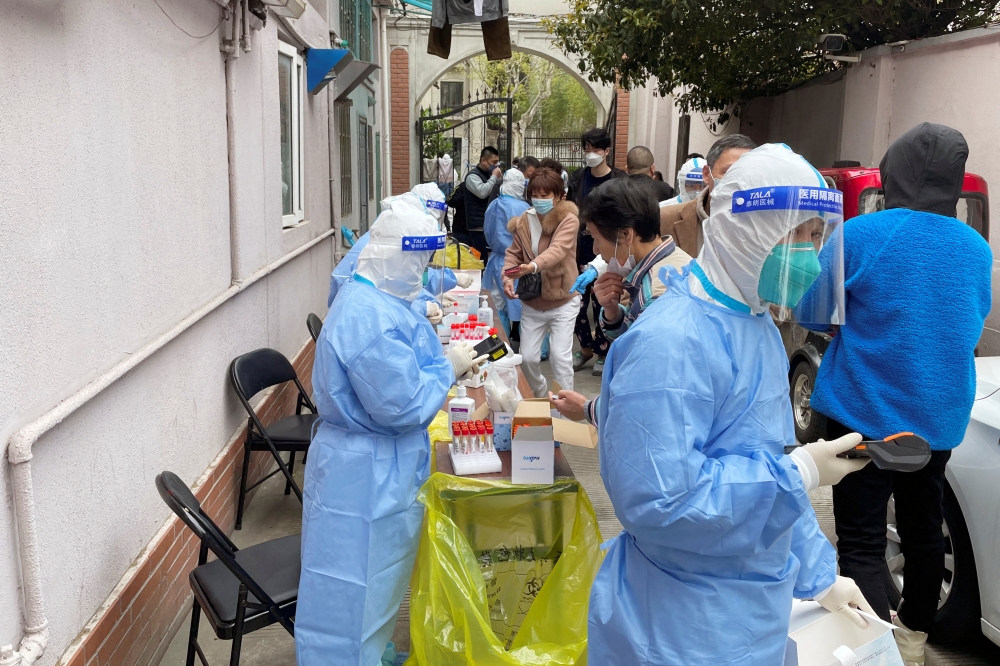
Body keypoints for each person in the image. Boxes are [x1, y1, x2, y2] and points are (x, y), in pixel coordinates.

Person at [587, 143, 876, 665]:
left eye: (816, 236)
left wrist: (819, 575)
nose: (809, 254)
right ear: (746, 230)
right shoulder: (670, 341)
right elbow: (661, 501)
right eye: (796, 235)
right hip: (677, 625)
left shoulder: (756, 324)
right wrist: (799, 474)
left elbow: (768, 471)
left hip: (753, 613)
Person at [805, 123, 992, 665]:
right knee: (923, 530)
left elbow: (814, 311)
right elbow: (970, 320)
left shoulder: (860, 234)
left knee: (862, 541)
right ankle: (911, 643)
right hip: (936, 420)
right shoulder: (975, 248)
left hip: (862, 413)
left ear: (893, 172)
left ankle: (873, 651)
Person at [298, 206, 487, 665]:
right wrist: (448, 367)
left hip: (371, 462)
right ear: (394, 256)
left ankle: (370, 653)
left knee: (374, 588)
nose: (421, 272)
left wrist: (442, 365)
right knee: (354, 590)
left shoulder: (375, 299)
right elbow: (401, 404)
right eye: (418, 261)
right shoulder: (367, 317)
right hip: (365, 473)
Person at [550, 178, 691, 425]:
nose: (596, 250)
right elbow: (637, 336)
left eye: (596, 237)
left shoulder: (657, 294)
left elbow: (646, 391)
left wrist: (586, 409)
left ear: (626, 234)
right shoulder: (670, 263)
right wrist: (612, 312)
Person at [503, 167, 581, 396]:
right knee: (527, 358)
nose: (539, 200)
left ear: (558, 196)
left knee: (560, 357)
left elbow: (557, 250)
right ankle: (541, 395)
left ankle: (565, 406)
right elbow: (513, 253)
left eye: (545, 195)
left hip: (563, 299)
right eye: (535, 195)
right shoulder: (524, 221)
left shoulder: (568, 220)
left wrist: (532, 266)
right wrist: (507, 276)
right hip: (533, 299)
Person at [566, 128, 628, 375]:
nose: (590, 154)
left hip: (608, 249)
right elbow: (571, 211)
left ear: (606, 151)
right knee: (577, 304)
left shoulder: (619, 180)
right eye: (587, 150)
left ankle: (603, 351)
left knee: (603, 300)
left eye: (595, 150)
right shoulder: (577, 179)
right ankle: (585, 348)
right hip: (581, 248)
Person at [660, 133, 757, 255]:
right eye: (729, 172)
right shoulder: (665, 220)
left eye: (747, 174)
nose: (738, 181)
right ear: (706, 174)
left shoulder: (765, 226)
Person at [483, 168, 531, 341]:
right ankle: (536, 349)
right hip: (520, 263)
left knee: (497, 307)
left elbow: (487, 232)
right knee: (526, 309)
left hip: (495, 261)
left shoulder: (493, 205)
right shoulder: (524, 208)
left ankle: (501, 344)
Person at [464, 146, 502, 261]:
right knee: (481, 260)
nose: (496, 165)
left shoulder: (489, 175)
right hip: (478, 227)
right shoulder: (472, 176)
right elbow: (482, 192)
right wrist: (494, 177)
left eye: (497, 162)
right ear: (483, 160)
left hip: (489, 225)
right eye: (494, 162)